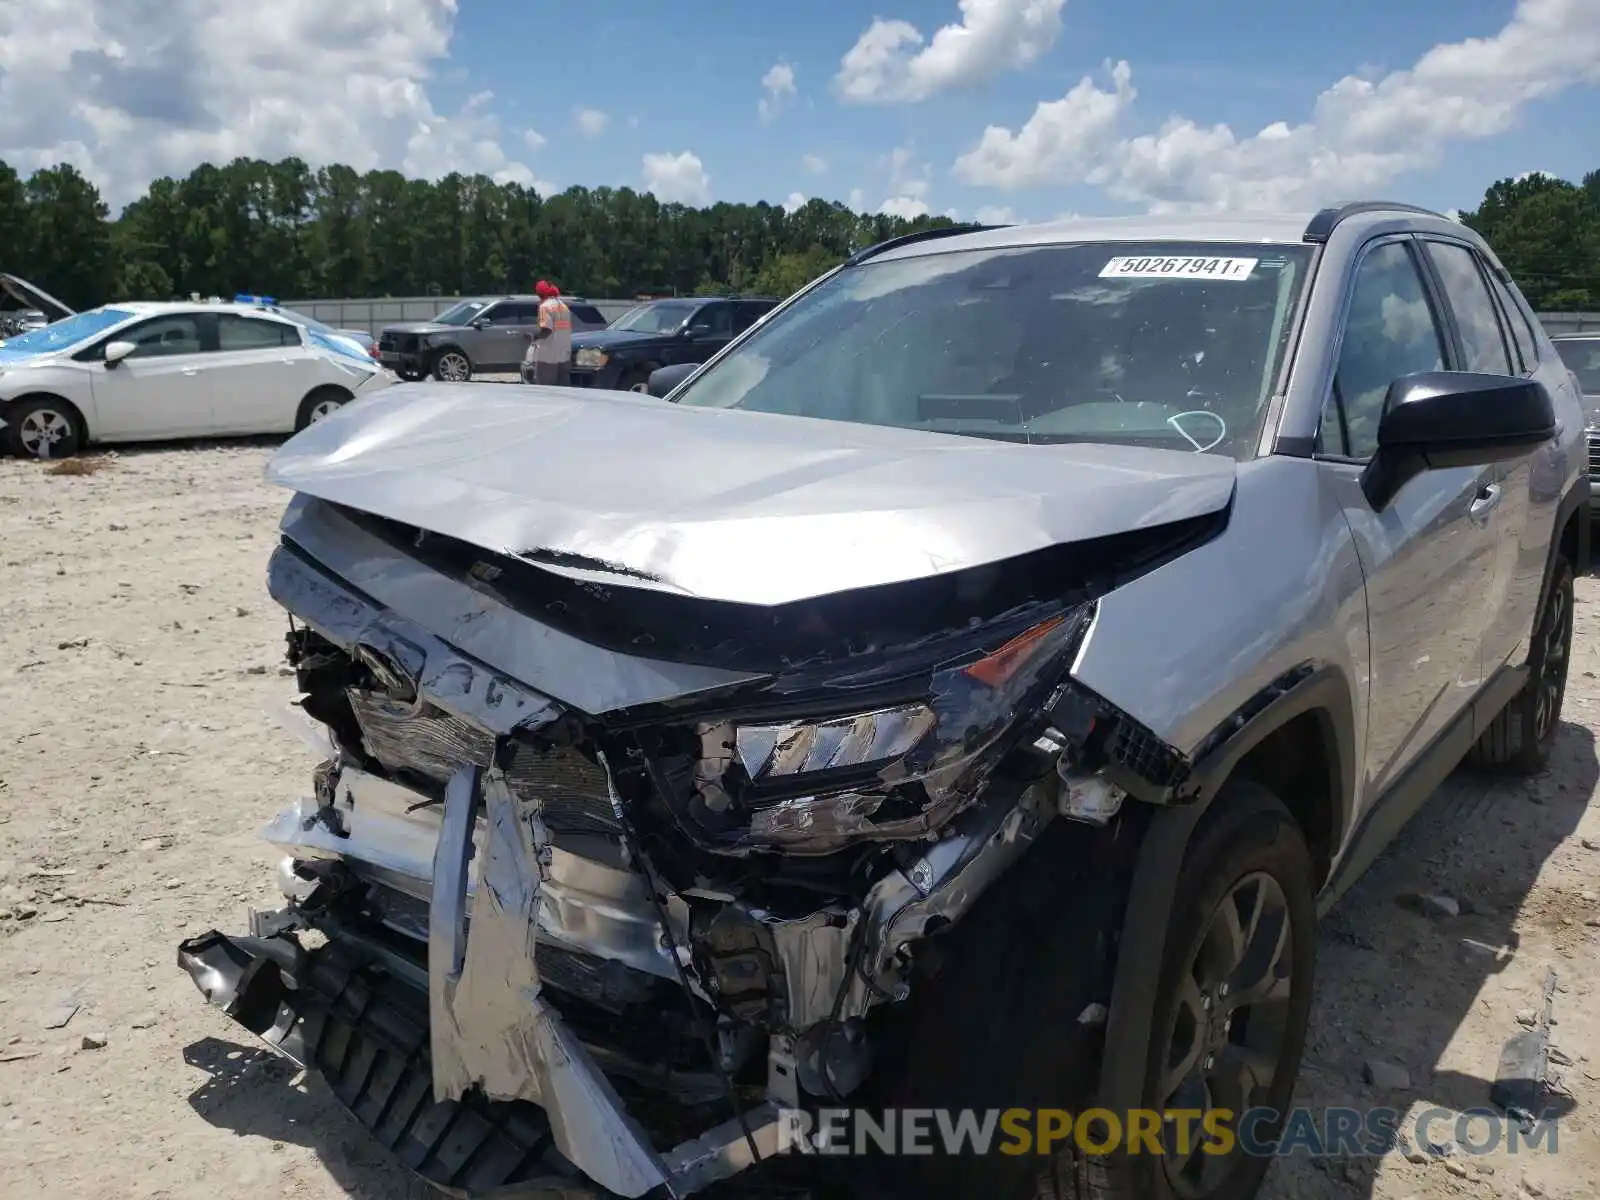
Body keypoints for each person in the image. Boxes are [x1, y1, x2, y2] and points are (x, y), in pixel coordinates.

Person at [522, 280, 572, 386]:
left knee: (546, 389)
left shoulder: (545, 307)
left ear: (540, 294)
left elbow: (547, 330)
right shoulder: (564, 306)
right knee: (564, 389)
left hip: (548, 356)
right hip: (564, 353)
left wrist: (533, 337)